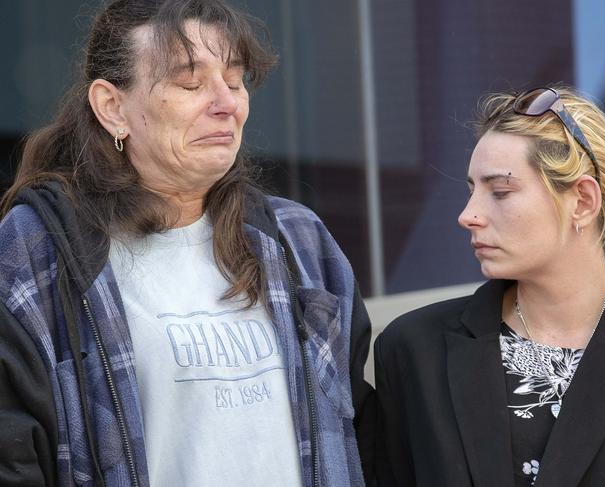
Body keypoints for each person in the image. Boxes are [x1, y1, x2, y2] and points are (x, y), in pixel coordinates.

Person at [0, 1, 374, 486]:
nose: (226, 103)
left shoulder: (298, 240)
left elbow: (361, 433)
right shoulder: (35, 249)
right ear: (112, 107)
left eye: (235, 81)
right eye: (190, 83)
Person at [374, 85, 605, 486]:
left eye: (500, 192)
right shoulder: (414, 349)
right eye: (471, 191)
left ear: (583, 201)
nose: (468, 216)